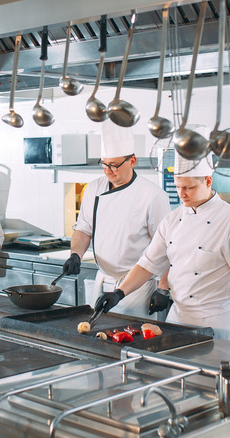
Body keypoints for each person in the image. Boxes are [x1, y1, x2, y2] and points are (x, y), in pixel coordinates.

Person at [93, 155, 230, 343]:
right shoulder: (172, 220)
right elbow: (147, 265)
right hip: (178, 320)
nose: (182, 194)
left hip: (218, 324)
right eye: (178, 187)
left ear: (208, 181)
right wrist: (119, 293)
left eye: (189, 188)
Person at [63, 123, 171, 319]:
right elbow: (84, 229)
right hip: (102, 281)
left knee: (130, 341)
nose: (108, 171)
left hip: (137, 287)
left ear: (133, 161)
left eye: (114, 165)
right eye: (104, 164)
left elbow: (167, 247)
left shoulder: (153, 196)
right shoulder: (94, 188)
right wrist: (75, 254)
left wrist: (164, 287)